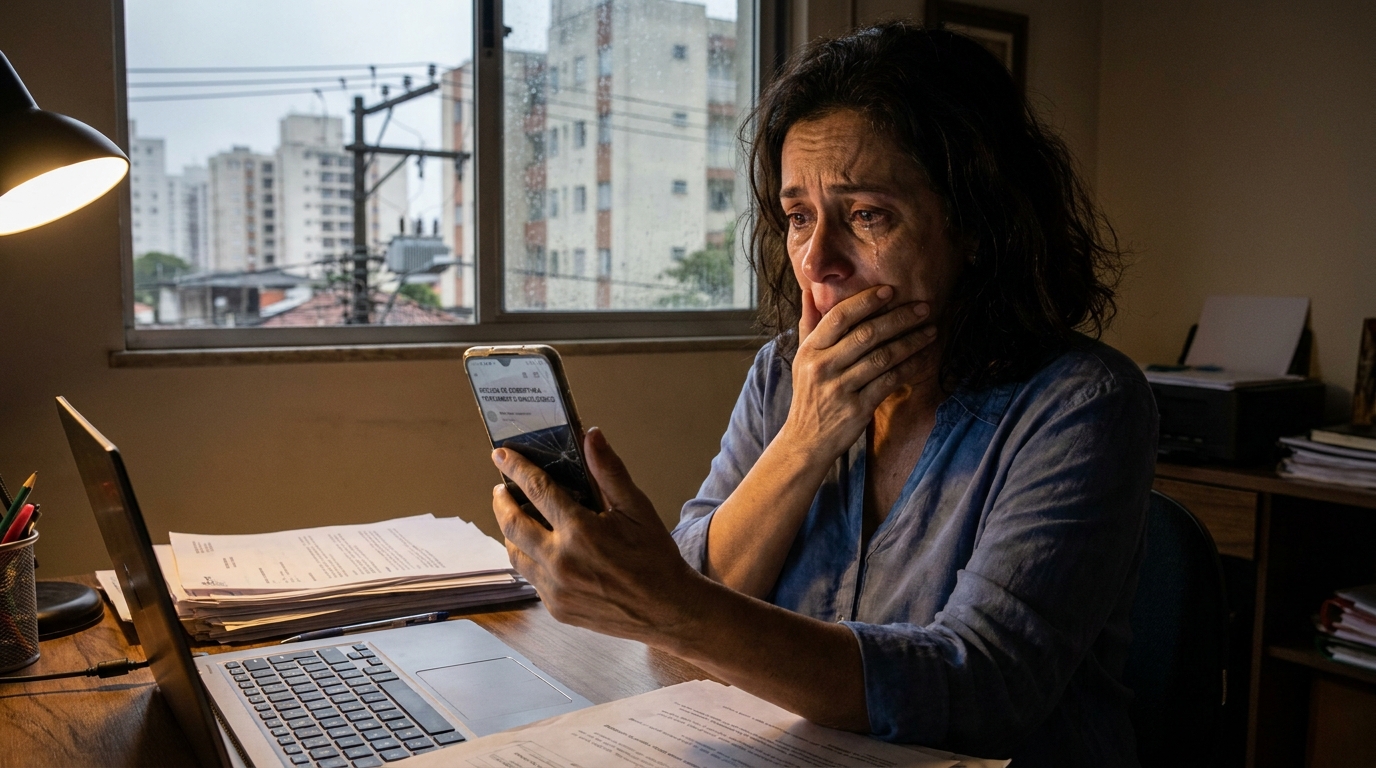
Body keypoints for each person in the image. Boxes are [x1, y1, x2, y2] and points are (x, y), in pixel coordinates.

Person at [490, 22, 1157, 767]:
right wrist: (806, 438)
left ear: (976, 225)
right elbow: (697, 599)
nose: (817, 260)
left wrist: (673, 608)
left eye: (867, 215)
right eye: (799, 216)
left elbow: (984, 692)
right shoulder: (786, 372)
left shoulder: (1081, 402)